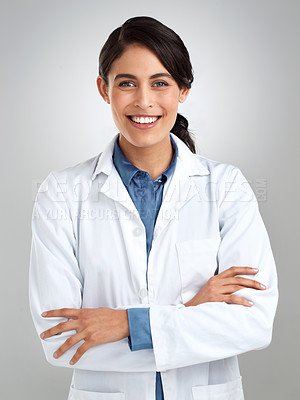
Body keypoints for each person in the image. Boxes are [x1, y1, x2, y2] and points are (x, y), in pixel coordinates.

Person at [29, 16, 278, 400]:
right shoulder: (62, 193)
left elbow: (254, 323)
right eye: (126, 82)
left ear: (183, 91)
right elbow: (61, 341)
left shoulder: (226, 187)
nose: (144, 101)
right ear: (103, 89)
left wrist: (128, 324)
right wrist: (193, 309)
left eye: (160, 83)